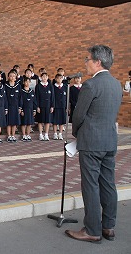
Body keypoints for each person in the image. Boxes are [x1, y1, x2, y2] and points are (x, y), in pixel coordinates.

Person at [65, 45, 122, 243]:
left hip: (91, 142)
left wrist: (76, 133)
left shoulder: (91, 85)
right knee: (108, 184)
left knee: (90, 185)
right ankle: (108, 226)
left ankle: (92, 230)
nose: (85, 63)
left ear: (98, 62)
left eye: (87, 59)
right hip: (109, 140)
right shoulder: (116, 84)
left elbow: (78, 115)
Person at [35, 72, 54, 141]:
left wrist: (52, 106)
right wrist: (37, 106)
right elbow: (36, 97)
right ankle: (40, 134)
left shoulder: (50, 86)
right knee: (40, 121)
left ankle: (46, 134)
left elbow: (52, 97)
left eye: (46, 76)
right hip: (41, 106)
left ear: (47, 77)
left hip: (48, 106)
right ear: (41, 78)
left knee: (47, 121)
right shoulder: (38, 86)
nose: (44, 78)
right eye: (43, 77)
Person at [5, 70, 21, 142]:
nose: (12, 77)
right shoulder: (5, 85)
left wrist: (20, 107)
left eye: (14, 76)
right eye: (11, 76)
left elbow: (20, 97)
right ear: (8, 77)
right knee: (9, 122)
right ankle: (9, 136)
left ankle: (13, 135)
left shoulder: (18, 86)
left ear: (16, 77)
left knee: (14, 122)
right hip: (8, 106)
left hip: (15, 106)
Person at [19, 77, 36, 142]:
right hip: (24, 109)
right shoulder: (21, 91)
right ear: (23, 82)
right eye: (26, 82)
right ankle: (24, 135)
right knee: (24, 123)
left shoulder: (32, 91)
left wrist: (34, 110)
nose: (27, 83)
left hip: (30, 109)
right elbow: (20, 101)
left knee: (29, 123)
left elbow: (34, 101)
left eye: (28, 82)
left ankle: (28, 134)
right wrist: (21, 110)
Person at [52, 73, 68, 140]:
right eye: (58, 78)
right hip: (56, 106)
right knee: (55, 121)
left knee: (61, 121)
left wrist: (67, 107)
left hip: (62, 106)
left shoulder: (65, 87)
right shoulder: (53, 87)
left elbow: (67, 97)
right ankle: (55, 133)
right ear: (55, 79)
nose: (59, 79)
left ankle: (60, 134)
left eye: (61, 78)